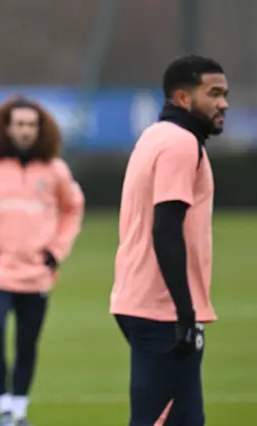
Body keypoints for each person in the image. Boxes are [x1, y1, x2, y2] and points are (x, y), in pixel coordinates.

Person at [0, 96, 85, 426]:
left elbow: (73, 208)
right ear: (7, 128)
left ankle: (19, 411)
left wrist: (57, 250)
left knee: (27, 344)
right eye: (20, 124)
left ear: (40, 130)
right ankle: (3, 403)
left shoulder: (55, 170)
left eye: (32, 125)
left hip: (37, 275)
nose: (26, 130)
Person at [110, 55, 228, 426]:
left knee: (186, 418)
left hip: (145, 301)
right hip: (162, 310)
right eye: (213, 93)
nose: (223, 102)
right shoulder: (180, 143)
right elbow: (165, 229)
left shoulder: (156, 135)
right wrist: (185, 312)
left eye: (225, 93)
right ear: (182, 97)